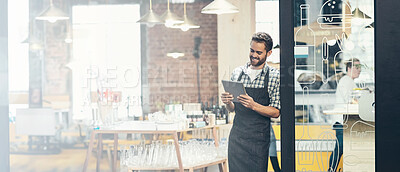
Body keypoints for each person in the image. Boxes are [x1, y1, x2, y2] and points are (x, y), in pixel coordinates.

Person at [221, 32, 280, 172]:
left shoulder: (274, 76)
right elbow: (232, 109)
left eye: (259, 52)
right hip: (237, 137)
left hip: (259, 140)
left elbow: (276, 112)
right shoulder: (238, 73)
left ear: (269, 53)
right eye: (252, 50)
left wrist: (254, 105)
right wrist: (227, 102)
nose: (254, 55)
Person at [328, 58, 361, 172]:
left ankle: (331, 169)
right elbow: (350, 100)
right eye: (357, 67)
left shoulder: (349, 81)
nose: (359, 70)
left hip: (343, 120)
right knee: (340, 148)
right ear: (349, 68)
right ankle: (331, 170)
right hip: (341, 120)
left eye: (360, 67)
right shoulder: (346, 80)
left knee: (341, 148)